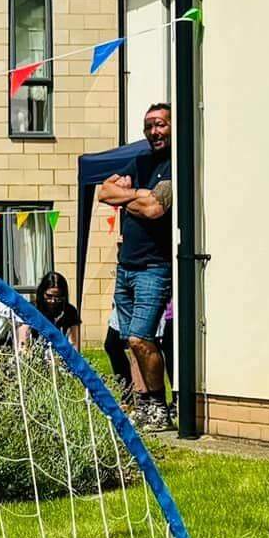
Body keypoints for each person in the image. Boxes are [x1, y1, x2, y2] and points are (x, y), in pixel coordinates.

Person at [97, 102, 173, 427]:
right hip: (126, 266)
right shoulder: (141, 160)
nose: (154, 132)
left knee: (142, 338)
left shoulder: (175, 163)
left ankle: (160, 406)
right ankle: (143, 404)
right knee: (128, 340)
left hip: (153, 267)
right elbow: (103, 191)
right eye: (149, 126)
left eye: (160, 125)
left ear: (172, 126)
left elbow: (157, 208)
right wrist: (138, 197)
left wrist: (129, 196)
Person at [17, 270, 82, 354]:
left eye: (58, 297)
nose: (53, 301)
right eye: (49, 296)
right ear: (42, 292)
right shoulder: (31, 310)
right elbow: (23, 344)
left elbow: (74, 344)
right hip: (35, 356)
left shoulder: (70, 311)